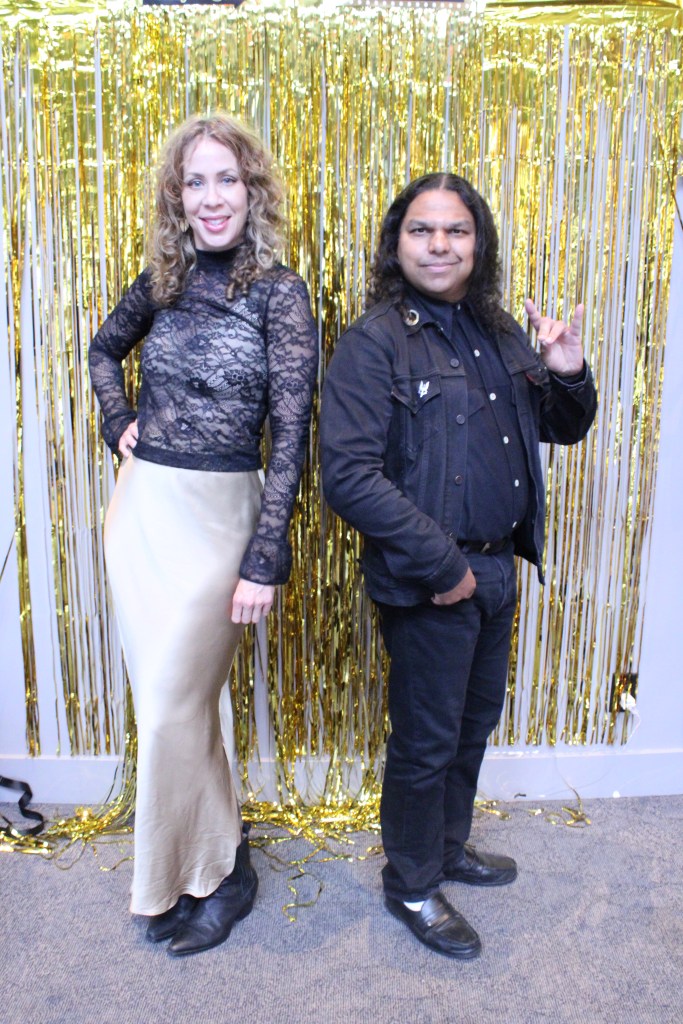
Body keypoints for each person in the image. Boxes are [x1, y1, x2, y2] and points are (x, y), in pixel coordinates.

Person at [320, 174, 597, 959]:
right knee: (426, 741)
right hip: (433, 581)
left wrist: (567, 369)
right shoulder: (374, 342)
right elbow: (348, 477)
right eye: (421, 230)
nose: (438, 245)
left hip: (498, 570)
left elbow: (561, 427)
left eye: (455, 231)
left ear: (478, 244)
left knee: (471, 727)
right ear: (396, 243)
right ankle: (410, 882)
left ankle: (444, 850)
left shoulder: (497, 329)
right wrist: (444, 568)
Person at [89, 113, 318, 956]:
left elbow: (291, 435)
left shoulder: (279, 293)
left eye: (228, 179)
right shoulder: (162, 281)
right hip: (142, 513)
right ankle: (212, 867)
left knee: (173, 708)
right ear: (176, 197)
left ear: (251, 193)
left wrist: (266, 554)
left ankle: (212, 875)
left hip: (222, 518)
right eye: (196, 181)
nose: (212, 197)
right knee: (175, 709)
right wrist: (117, 419)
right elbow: (101, 352)